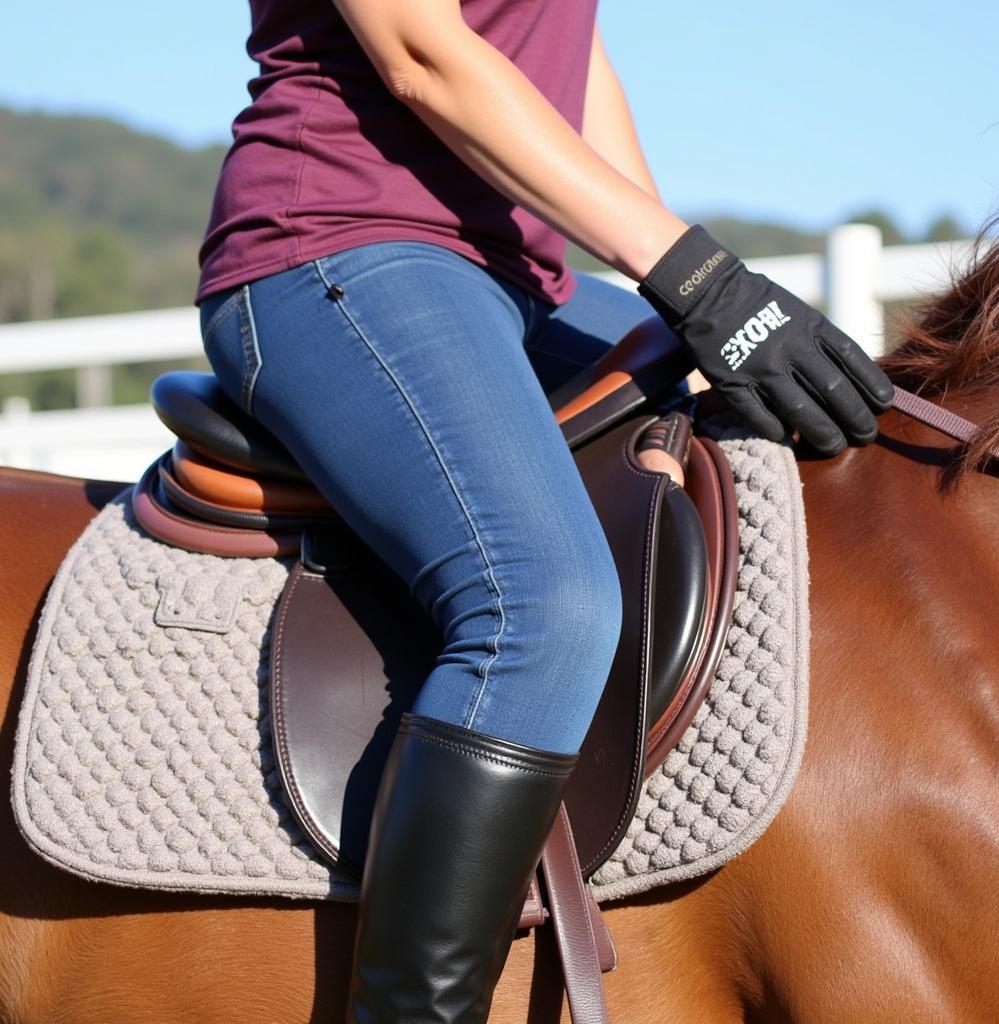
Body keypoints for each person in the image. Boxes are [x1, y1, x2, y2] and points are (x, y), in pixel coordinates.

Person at [194, 1, 894, 1020]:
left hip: (523, 283)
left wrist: (682, 301)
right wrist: (701, 280)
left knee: (757, 454)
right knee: (546, 603)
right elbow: (423, 52)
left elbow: (570, 56)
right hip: (338, 248)